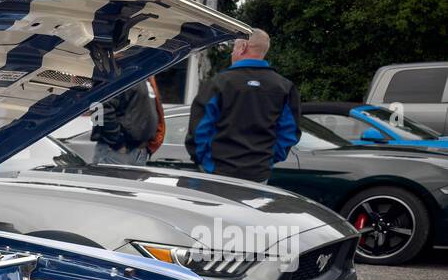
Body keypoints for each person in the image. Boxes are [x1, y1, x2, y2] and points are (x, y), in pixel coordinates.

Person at [185, 29, 300, 183]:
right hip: (259, 174)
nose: (232, 54)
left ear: (243, 47)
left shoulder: (219, 83)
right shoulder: (284, 87)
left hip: (217, 172)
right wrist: (269, 159)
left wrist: (206, 162)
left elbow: (200, 129)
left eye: (233, 49)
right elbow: (289, 132)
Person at [90, 79, 158, 165]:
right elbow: (100, 109)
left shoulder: (142, 76)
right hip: (117, 152)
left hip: (138, 151)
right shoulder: (118, 73)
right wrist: (118, 144)